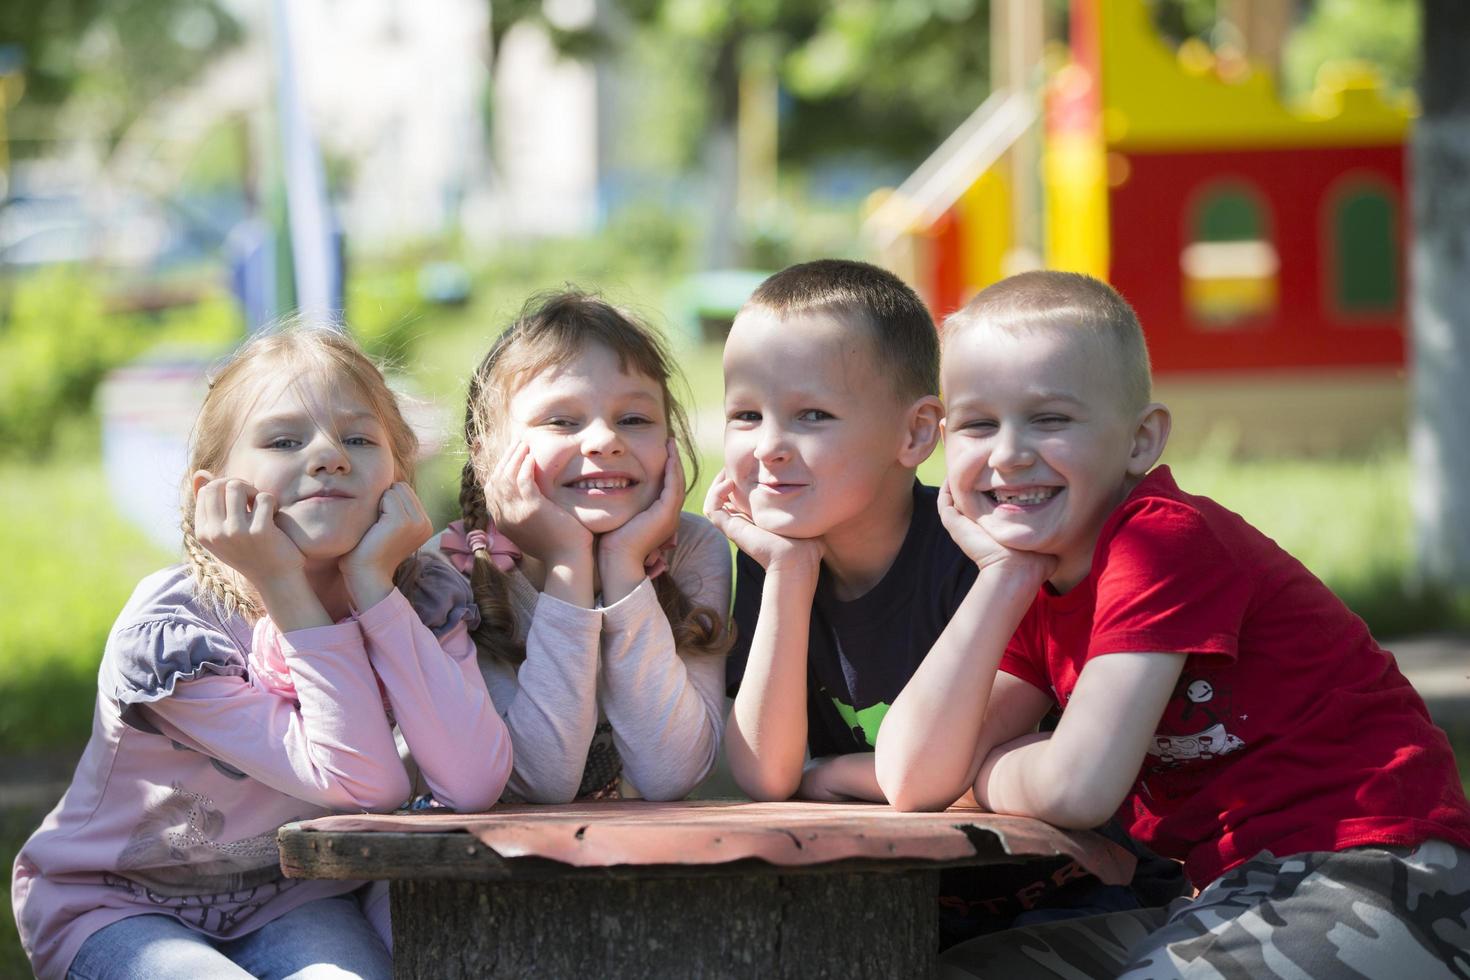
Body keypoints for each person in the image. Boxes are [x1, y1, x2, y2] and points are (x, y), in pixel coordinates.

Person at [876, 270, 1470, 978]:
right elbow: (915, 777)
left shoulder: (1162, 542)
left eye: (1051, 419)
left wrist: (988, 767)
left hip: (1378, 873)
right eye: (978, 424)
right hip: (1239, 893)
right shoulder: (1034, 580)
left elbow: (1076, 789)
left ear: (1140, 440)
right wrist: (999, 582)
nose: (1007, 453)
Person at [11, 326, 512, 980]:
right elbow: (365, 781)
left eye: (358, 439)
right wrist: (281, 582)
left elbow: (473, 783)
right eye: (284, 441)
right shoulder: (177, 635)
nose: (329, 455)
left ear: (400, 476)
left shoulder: (418, 602)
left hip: (296, 899)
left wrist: (372, 588)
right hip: (120, 905)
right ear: (209, 492)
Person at [706, 259, 1178, 947]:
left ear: (917, 434)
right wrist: (787, 573)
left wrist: (836, 775)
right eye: (746, 415)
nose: (770, 446)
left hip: (1071, 893)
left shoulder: (989, 546)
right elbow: (768, 774)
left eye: (812, 415)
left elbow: (1013, 762)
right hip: (919, 904)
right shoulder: (779, 556)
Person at [436, 290, 731, 803]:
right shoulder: (449, 574)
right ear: (486, 453)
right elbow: (536, 780)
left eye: (634, 420)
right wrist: (568, 565)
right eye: (561, 421)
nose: (603, 441)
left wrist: (623, 565)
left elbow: (672, 773)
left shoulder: (691, 549)